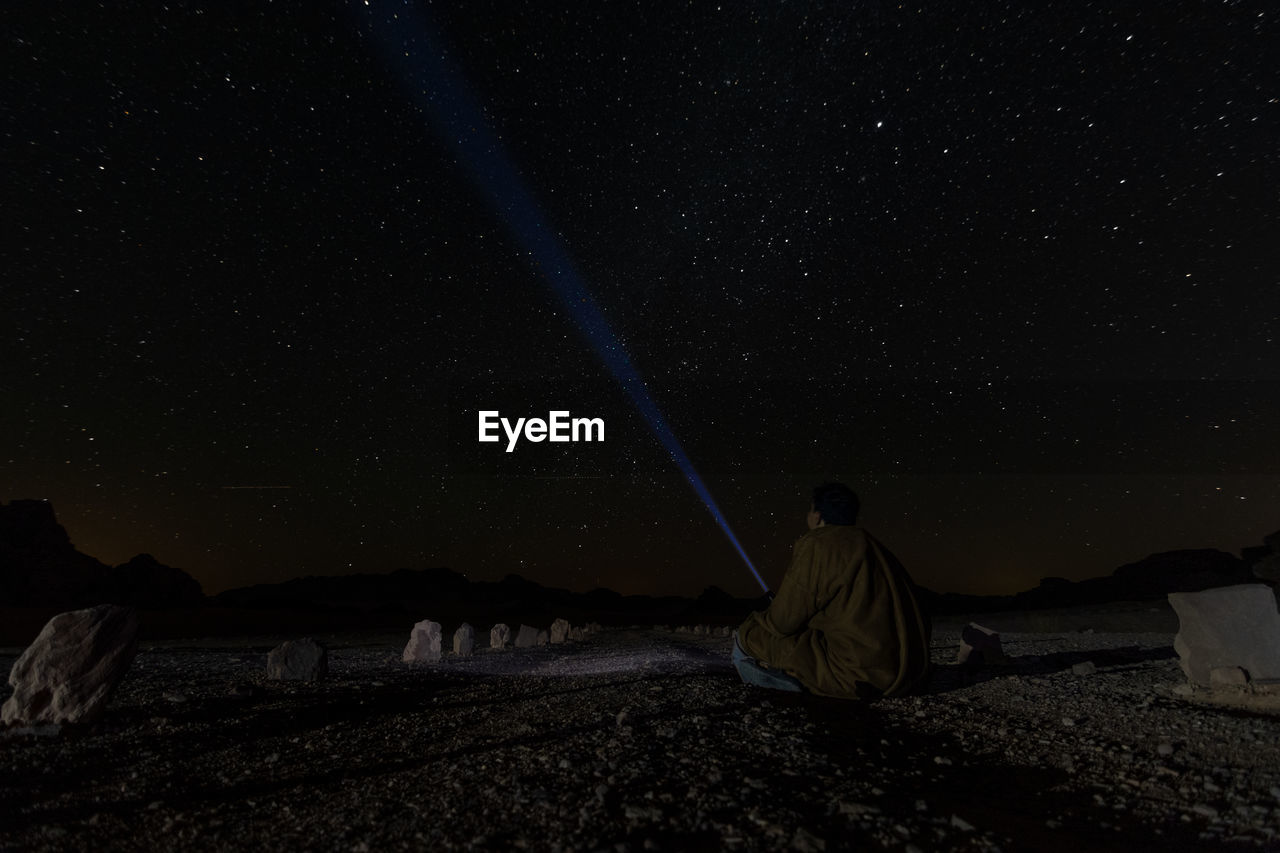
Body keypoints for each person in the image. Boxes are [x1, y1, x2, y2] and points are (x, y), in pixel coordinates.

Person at [733, 483, 932, 699]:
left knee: (749, 634)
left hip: (859, 676)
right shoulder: (876, 549)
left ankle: (778, 685)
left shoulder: (820, 543)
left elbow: (782, 623)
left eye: (810, 511)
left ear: (817, 516)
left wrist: (760, 618)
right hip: (910, 675)